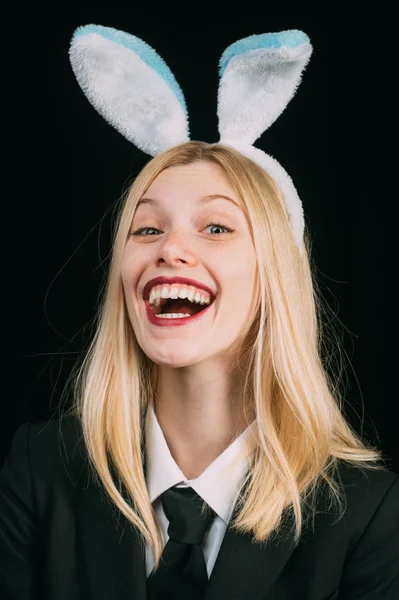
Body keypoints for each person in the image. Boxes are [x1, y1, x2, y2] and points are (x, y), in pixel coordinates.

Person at [1, 25, 398, 600]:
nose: (170, 248)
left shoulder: (366, 514)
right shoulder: (41, 471)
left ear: (273, 280)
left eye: (216, 227)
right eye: (147, 227)